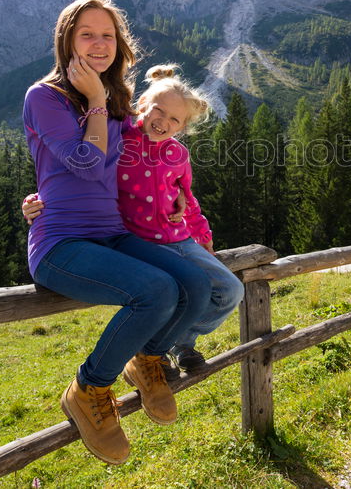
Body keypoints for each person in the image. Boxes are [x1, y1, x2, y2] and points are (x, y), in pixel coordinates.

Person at [23, 0, 212, 465]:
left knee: (193, 282)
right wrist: (93, 99)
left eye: (107, 34)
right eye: (87, 33)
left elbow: (146, 160)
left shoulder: (118, 104)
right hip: (62, 242)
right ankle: (88, 389)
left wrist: (178, 198)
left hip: (112, 231)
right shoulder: (44, 97)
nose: (98, 43)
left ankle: (147, 358)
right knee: (155, 290)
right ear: (66, 40)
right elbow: (86, 164)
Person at [23, 65, 244, 379]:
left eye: (174, 120)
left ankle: (181, 342)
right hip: (139, 242)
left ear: (182, 127)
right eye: (158, 111)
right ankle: (157, 351)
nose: (163, 122)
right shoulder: (120, 140)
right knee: (177, 290)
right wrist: (35, 198)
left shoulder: (178, 154)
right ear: (142, 105)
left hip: (180, 239)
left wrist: (203, 236)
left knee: (230, 292)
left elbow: (187, 197)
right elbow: (80, 179)